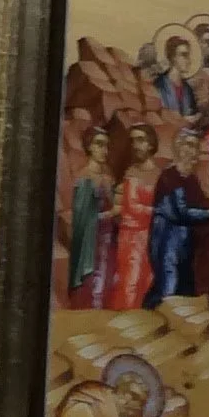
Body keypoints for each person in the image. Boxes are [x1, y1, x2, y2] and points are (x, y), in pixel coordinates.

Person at [149, 129, 209, 307]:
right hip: (168, 241)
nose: (191, 151)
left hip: (185, 243)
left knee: (187, 287)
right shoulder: (169, 177)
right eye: (188, 145)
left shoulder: (191, 179)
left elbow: (198, 202)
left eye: (195, 147)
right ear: (178, 147)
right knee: (170, 286)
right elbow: (180, 212)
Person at [113, 126, 161, 311]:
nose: (135, 145)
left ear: (150, 144)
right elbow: (132, 206)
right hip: (132, 236)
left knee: (148, 279)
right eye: (133, 141)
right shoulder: (131, 174)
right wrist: (158, 211)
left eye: (140, 140)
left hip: (151, 235)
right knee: (130, 281)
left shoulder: (158, 174)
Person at [69, 129, 117, 308]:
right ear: (89, 147)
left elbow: (113, 204)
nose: (104, 150)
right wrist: (110, 214)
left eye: (106, 145)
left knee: (105, 275)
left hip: (107, 235)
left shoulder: (108, 175)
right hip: (90, 239)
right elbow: (82, 218)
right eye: (99, 144)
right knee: (92, 276)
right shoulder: (83, 178)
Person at [154, 34, 200, 120]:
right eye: (184, 55)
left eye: (188, 55)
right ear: (173, 57)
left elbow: (194, 113)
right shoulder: (159, 86)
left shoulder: (188, 89)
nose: (189, 60)